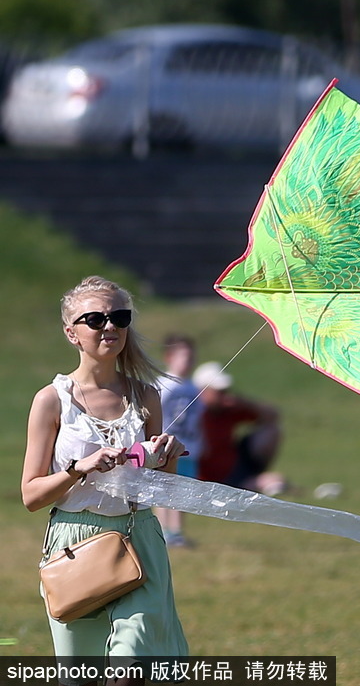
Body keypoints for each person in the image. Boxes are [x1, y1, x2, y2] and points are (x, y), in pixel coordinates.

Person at [21, 276, 188, 664]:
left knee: (132, 661)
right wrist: (80, 468)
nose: (109, 326)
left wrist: (169, 454)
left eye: (119, 317)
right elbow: (30, 495)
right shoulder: (51, 400)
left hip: (139, 539)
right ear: (72, 333)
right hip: (75, 542)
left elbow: (161, 490)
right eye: (94, 319)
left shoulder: (146, 395)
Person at [193, 361, 286, 495]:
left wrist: (243, 403)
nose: (225, 395)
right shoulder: (195, 416)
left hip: (234, 467)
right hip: (207, 477)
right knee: (273, 482)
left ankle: (255, 478)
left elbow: (272, 416)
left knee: (271, 430)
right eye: (219, 392)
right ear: (203, 391)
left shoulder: (227, 409)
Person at [154, 334, 204, 548]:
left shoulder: (193, 387)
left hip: (189, 446)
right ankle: (163, 531)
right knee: (164, 489)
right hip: (166, 445)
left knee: (183, 490)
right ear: (170, 357)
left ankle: (177, 531)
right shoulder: (164, 384)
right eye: (183, 356)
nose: (188, 361)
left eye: (191, 357)